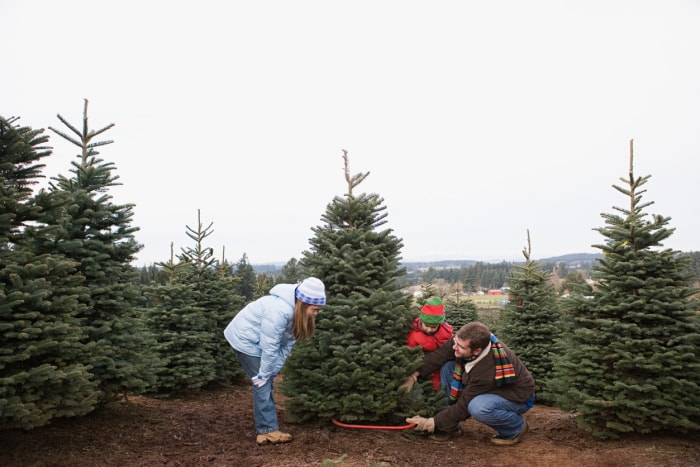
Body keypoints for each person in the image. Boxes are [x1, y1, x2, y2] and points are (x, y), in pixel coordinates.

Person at [224, 277, 326, 445]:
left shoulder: (298, 314)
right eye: (314, 310)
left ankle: (267, 412)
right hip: (245, 339)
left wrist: (272, 371)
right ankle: (267, 430)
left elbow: (286, 346)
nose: (316, 314)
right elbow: (270, 346)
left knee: (266, 378)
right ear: (303, 303)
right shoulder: (280, 310)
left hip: (259, 341)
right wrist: (265, 373)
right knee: (261, 382)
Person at [401, 321, 535, 445]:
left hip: (517, 397)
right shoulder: (465, 341)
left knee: (478, 407)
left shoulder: (486, 370)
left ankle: (515, 427)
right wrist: (414, 374)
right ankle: (450, 425)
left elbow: (464, 406)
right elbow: (439, 355)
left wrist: (431, 422)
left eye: (460, 347)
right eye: (456, 342)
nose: (455, 347)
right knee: (448, 366)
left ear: (477, 351)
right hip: (491, 385)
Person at [406, 297, 454, 394]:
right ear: (421, 321)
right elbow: (409, 354)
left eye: (433, 327)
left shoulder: (446, 332)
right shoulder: (414, 335)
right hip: (424, 368)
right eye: (426, 326)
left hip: (441, 368)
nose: (429, 330)